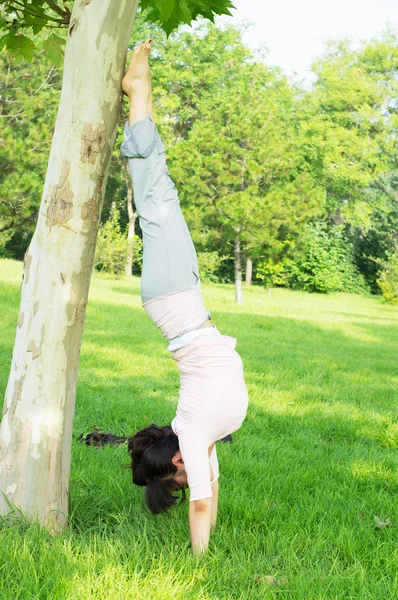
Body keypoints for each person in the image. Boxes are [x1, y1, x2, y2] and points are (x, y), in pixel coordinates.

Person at [120, 39, 249, 555]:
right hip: (179, 301)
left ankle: (139, 92)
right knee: (159, 194)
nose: (192, 480)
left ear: (177, 463)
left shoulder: (191, 435)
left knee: (156, 196)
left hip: (175, 298)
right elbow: (208, 497)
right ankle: (137, 97)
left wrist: (198, 562)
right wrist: (208, 541)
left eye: (180, 480)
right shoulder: (199, 444)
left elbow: (197, 500)